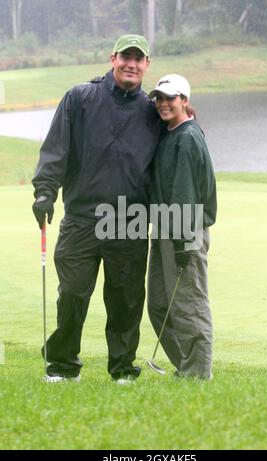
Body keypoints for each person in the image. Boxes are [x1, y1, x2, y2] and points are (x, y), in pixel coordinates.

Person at [32, 34, 161, 384]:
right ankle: (62, 365)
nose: (131, 64)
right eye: (125, 57)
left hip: (130, 222)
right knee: (72, 293)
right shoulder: (80, 98)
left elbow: (166, 162)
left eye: (139, 58)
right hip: (82, 218)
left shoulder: (152, 110)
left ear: (147, 65)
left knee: (126, 301)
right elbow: (55, 149)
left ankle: (122, 370)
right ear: (113, 58)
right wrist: (45, 192)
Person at [147, 74, 217, 380]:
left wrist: (181, 239)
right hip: (164, 228)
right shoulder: (169, 132)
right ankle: (186, 367)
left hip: (183, 232)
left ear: (184, 101)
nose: (163, 104)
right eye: (160, 98)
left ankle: (198, 374)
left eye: (170, 99)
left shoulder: (188, 137)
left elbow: (186, 193)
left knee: (189, 305)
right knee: (159, 304)